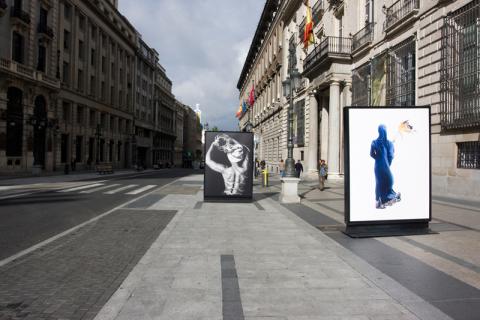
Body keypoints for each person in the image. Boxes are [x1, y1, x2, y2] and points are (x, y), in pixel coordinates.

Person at [370, 124, 401, 209]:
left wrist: (378, 158)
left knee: (379, 182)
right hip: (385, 165)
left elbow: (371, 154)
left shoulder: (374, 142)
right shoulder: (389, 143)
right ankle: (387, 199)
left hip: (377, 166)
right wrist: (387, 163)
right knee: (388, 181)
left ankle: (378, 202)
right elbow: (391, 156)